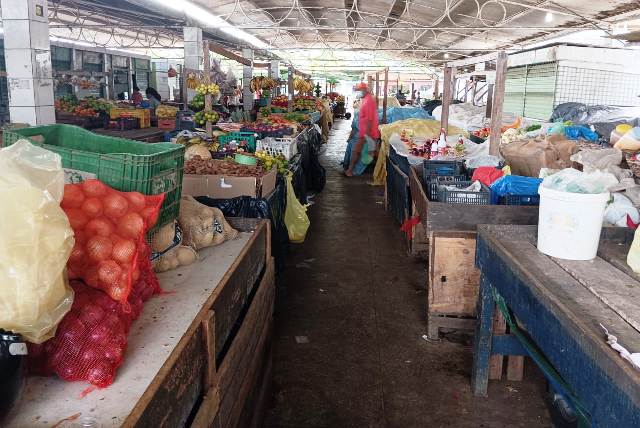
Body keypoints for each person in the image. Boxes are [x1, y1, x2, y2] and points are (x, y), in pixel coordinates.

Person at [345, 82, 380, 177]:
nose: (358, 92)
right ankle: (350, 170)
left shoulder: (368, 101)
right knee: (371, 151)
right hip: (366, 132)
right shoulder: (365, 99)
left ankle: (350, 170)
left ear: (364, 90)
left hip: (368, 133)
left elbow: (369, 119)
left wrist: (366, 135)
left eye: (359, 90)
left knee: (360, 151)